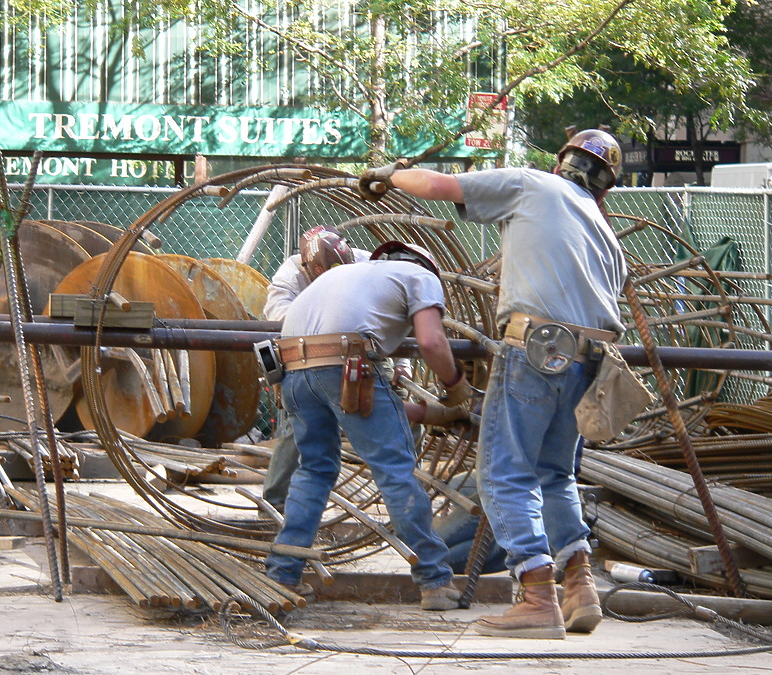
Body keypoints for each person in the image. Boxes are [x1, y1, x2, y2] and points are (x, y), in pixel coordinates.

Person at [360, 129, 626, 639]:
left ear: (561, 164)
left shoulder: (533, 186)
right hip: (588, 360)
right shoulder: (606, 235)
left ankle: (535, 596)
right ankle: (579, 586)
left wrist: (389, 174)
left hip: (537, 346)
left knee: (505, 474)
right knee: (555, 474)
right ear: (605, 187)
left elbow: (440, 185)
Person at [263, 241, 474, 611]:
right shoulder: (419, 275)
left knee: (313, 470)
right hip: (346, 363)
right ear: (426, 266)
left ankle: (282, 574)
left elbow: (366, 402)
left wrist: (429, 412)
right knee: (395, 470)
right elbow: (430, 340)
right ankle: (435, 580)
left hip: (292, 368)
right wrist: (456, 388)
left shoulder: (346, 274)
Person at [261, 226, 462, 512]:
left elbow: (397, 317)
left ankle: (403, 489)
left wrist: (402, 364)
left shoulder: (364, 262)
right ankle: (276, 499)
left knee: (393, 409)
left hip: (364, 344)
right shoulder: (290, 275)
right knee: (298, 425)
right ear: (308, 267)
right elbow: (279, 316)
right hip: (311, 348)